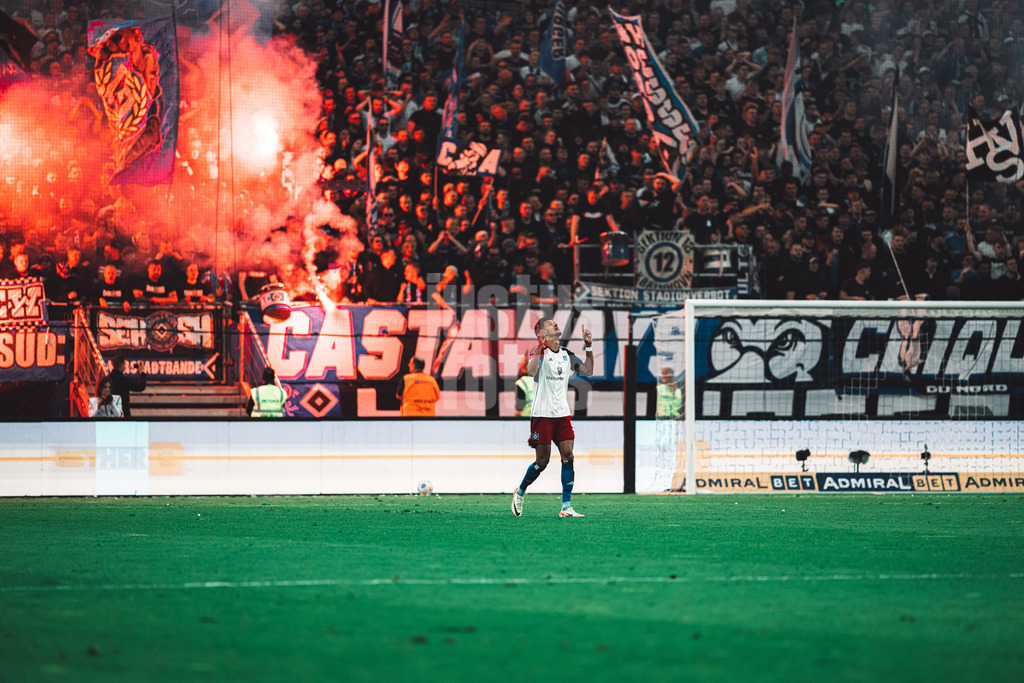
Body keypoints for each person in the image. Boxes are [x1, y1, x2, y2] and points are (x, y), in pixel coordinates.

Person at [511, 317, 593, 518]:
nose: (555, 324)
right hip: (542, 415)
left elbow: (588, 371)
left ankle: (566, 507)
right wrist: (539, 346)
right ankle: (520, 491)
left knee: (568, 455)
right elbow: (530, 371)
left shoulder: (566, 354)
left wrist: (589, 348)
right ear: (542, 334)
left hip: (562, 414)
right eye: (549, 324)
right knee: (542, 462)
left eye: (555, 322)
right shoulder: (539, 352)